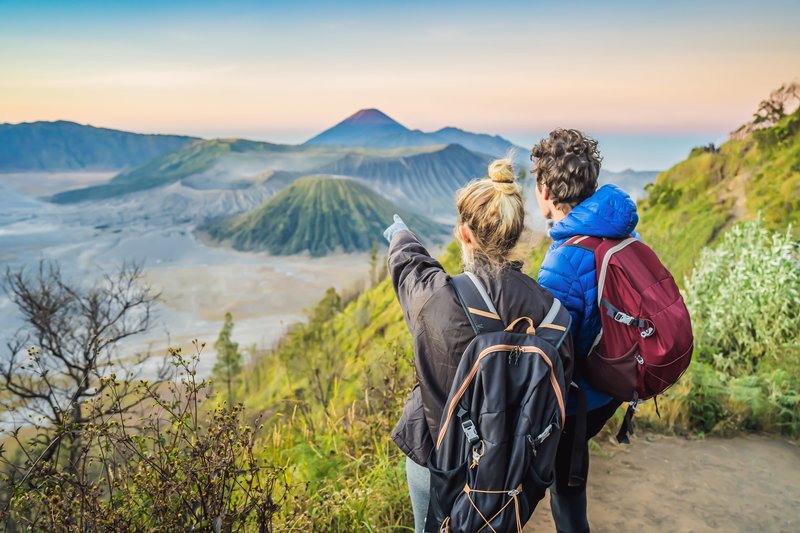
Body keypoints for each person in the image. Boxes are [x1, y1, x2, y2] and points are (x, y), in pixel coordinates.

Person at [383, 158, 574, 533]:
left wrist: (400, 235)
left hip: (439, 462)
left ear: (464, 235)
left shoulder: (439, 299)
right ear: (516, 232)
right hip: (514, 475)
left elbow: (410, 270)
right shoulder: (555, 314)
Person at [532, 129, 638, 533]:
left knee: (566, 493)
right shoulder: (621, 229)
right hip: (615, 384)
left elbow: (555, 352)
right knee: (571, 471)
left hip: (583, 400)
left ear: (544, 190)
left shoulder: (563, 261)